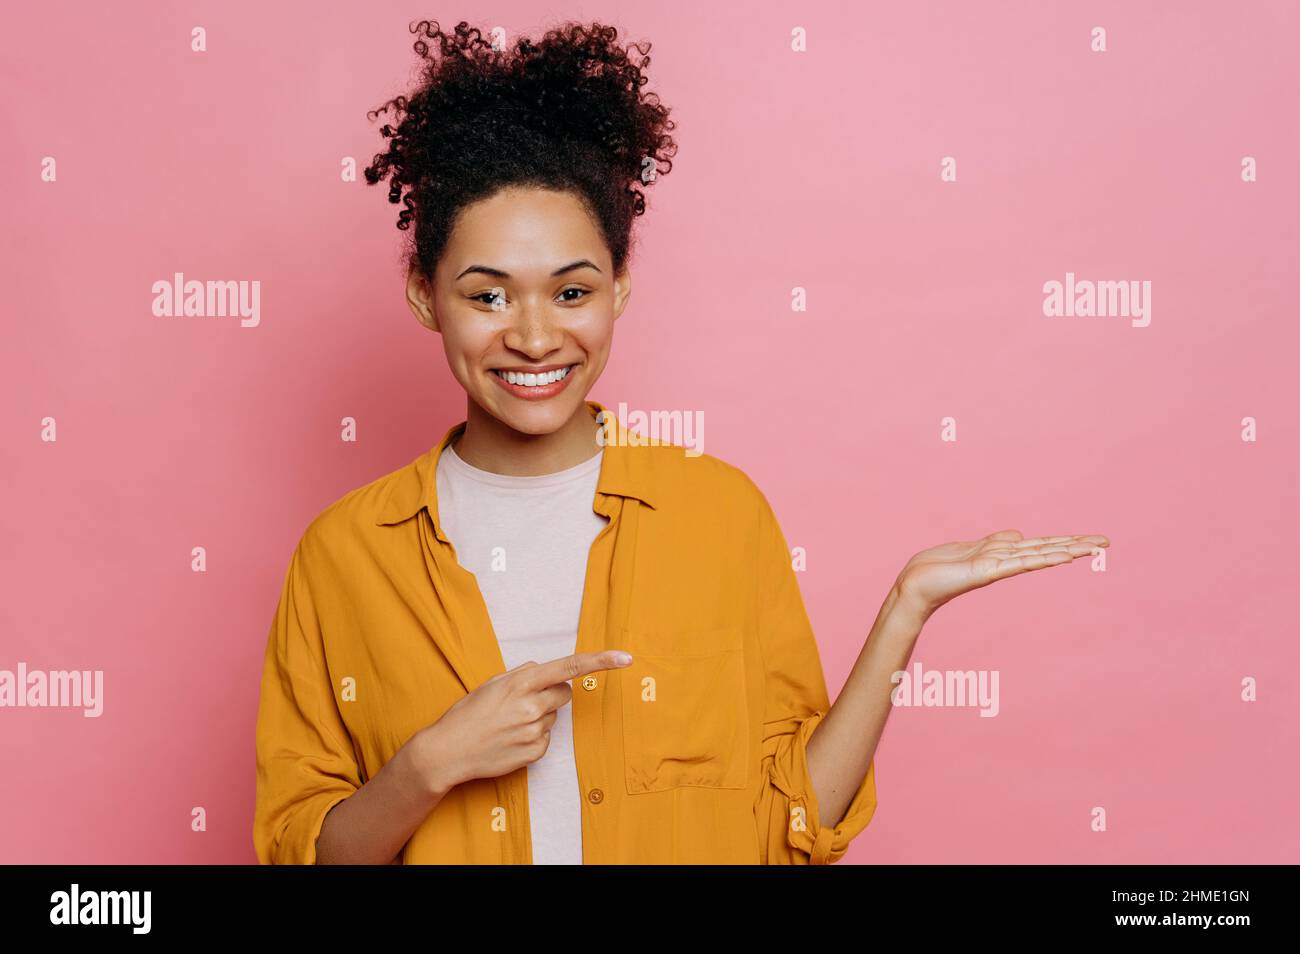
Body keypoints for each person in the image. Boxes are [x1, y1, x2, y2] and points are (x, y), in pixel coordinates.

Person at [252, 18, 1109, 865]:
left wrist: (905, 609)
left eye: (572, 292)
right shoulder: (343, 557)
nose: (536, 336)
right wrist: (427, 767)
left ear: (619, 288)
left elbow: (793, 824)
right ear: (422, 295)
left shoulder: (720, 515)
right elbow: (305, 852)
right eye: (488, 297)